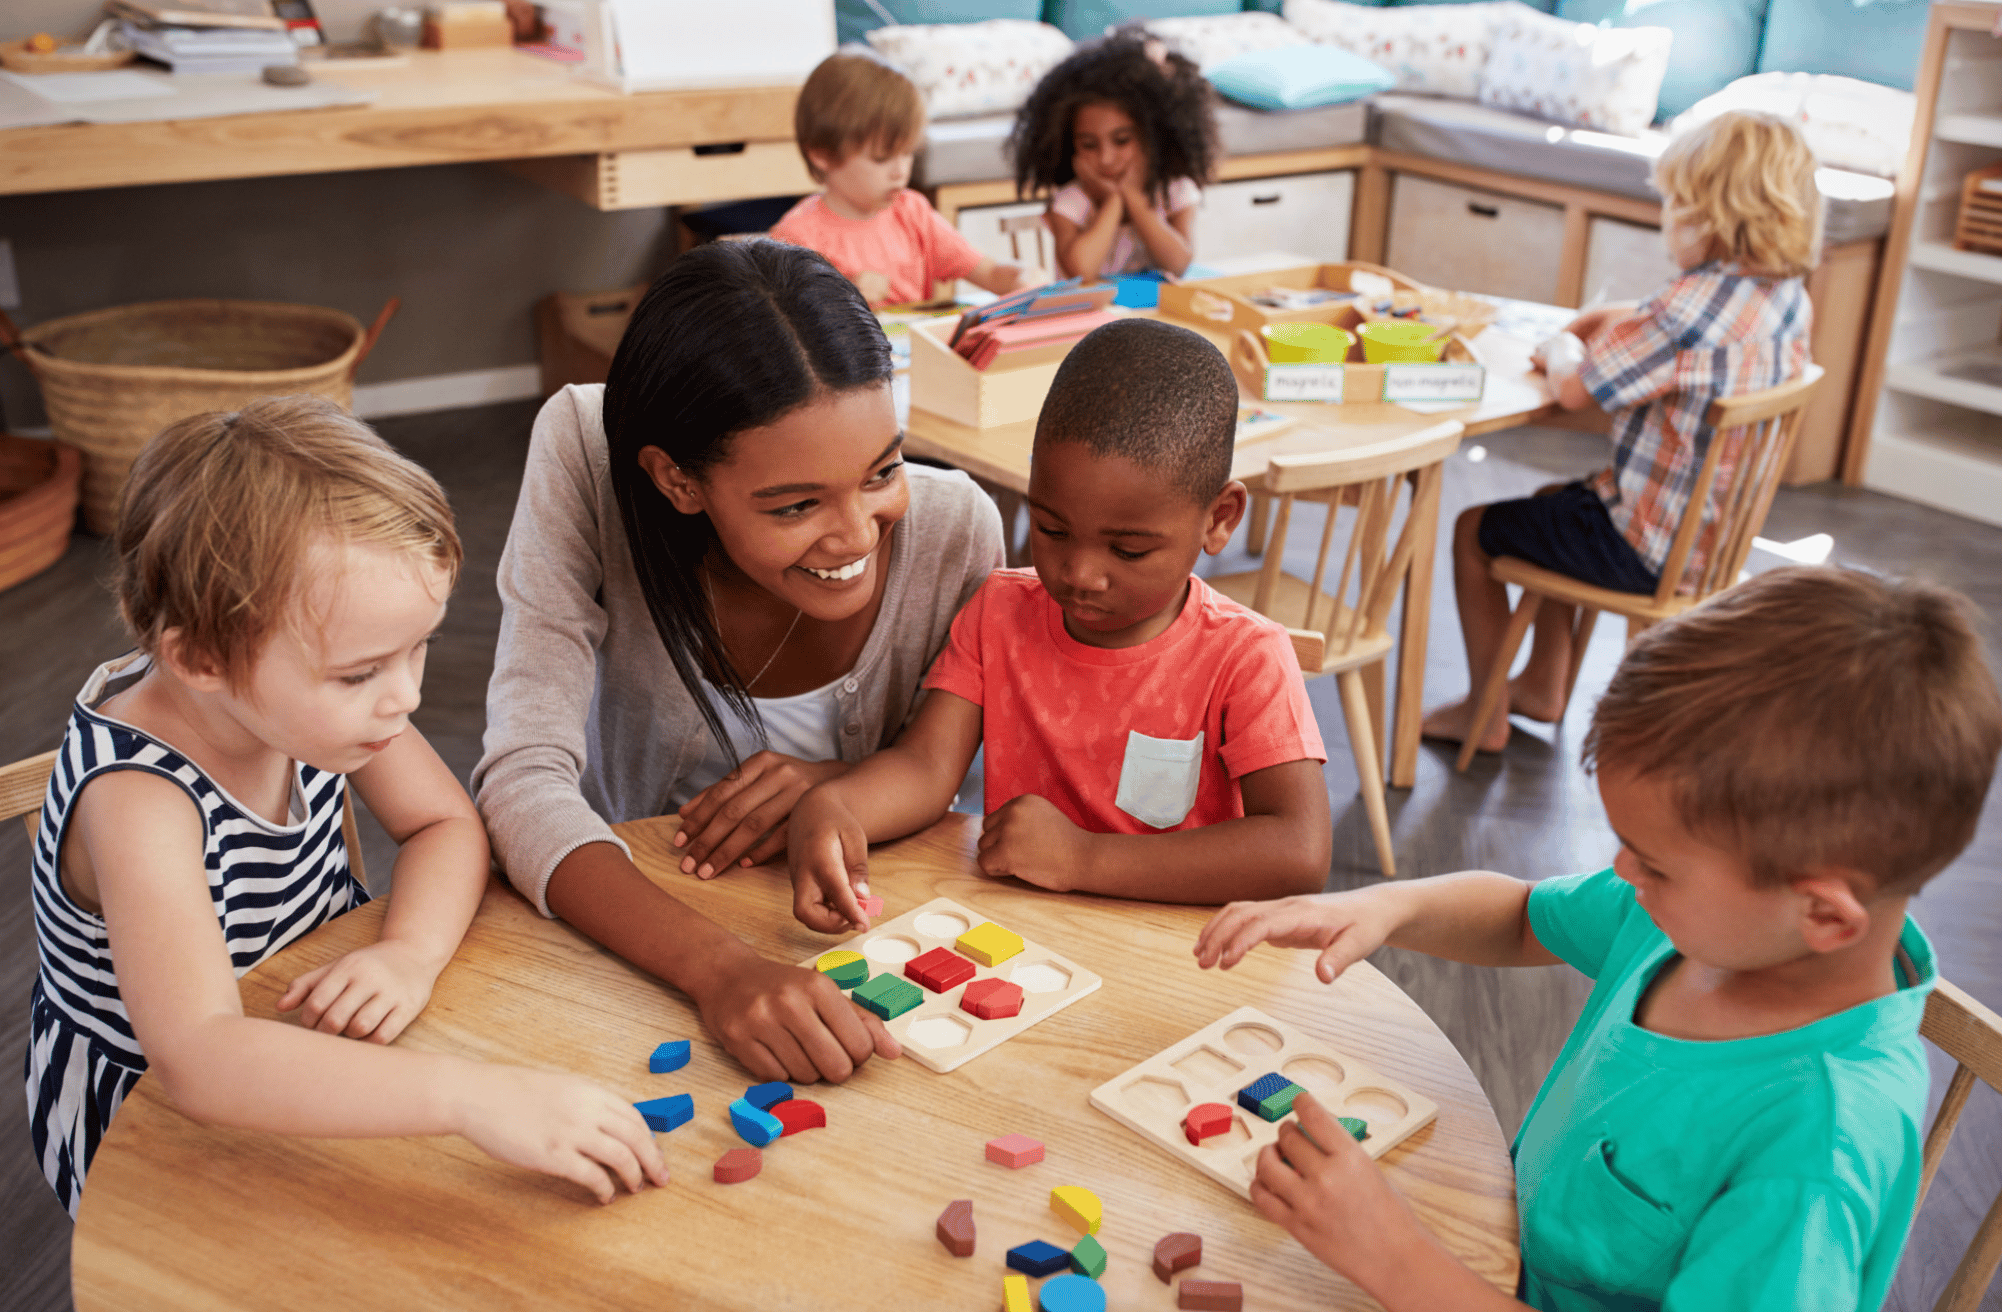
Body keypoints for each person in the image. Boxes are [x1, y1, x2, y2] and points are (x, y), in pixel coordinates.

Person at [1197, 565, 2002, 1312]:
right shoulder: (1713, 926)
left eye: (1652, 863)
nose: (1623, 871)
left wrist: (1397, 1258)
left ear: (1826, 914)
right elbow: (1522, 914)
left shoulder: (1814, 1158)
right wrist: (1388, 908)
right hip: (1490, 1260)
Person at [27, 397, 666, 1217]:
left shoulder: (298, 697)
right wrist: (470, 1098)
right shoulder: (138, 802)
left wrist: (409, 952)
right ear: (201, 659)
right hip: (151, 1120)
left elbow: (443, 824)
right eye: (363, 672)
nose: (404, 696)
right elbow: (199, 1057)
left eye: (418, 647)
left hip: (313, 1017)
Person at [473, 240, 1005, 1083]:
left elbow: (957, 792)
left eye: (882, 470)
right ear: (677, 482)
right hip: (640, 927)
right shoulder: (588, 449)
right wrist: (720, 972)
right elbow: (520, 779)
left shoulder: (956, 531)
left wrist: (838, 782)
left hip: (864, 952)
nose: (857, 535)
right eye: (796, 505)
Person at [788, 318, 1330, 932]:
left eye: (1127, 550)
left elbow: (1298, 851)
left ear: (1219, 519)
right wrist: (835, 805)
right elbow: (925, 770)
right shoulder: (999, 612)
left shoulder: (1246, 657)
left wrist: (1084, 857)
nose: (1079, 573)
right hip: (1023, 939)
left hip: (1177, 954)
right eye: (1051, 530)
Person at [1423, 110, 1819, 753]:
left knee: (1476, 531)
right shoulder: (1785, 295)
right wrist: (1625, 316)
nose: (1665, 219)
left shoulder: (1682, 309)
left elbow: (1577, 388)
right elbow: (1686, 333)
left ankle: (1483, 711)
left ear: (1707, 216)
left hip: (1645, 549)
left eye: (1672, 205)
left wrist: (1557, 346)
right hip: (1709, 542)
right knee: (1554, 504)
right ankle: (1544, 685)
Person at [769, 51, 1045, 307]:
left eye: (908, 153)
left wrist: (1021, 276)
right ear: (823, 156)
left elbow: (989, 272)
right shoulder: (796, 238)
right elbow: (784, 328)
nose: (900, 172)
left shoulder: (913, 212)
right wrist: (842, 297)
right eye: (881, 159)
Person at [1008, 31, 1218, 281]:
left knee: (1272, 324)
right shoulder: (1072, 202)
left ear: (1155, 138)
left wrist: (1134, 199)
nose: (1106, 158)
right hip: (1094, 319)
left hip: (1153, 317)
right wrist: (1113, 201)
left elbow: (1178, 264)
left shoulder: (1176, 191)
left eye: (1122, 140)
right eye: (1088, 144)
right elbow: (1081, 272)